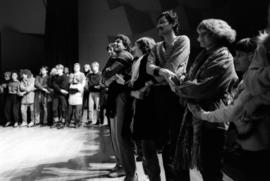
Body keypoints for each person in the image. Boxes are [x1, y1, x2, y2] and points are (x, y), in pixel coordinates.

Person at [174, 19, 238, 181]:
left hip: (213, 120)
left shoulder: (223, 58)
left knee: (211, 170)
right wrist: (184, 83)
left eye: (203, 34)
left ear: (217, 36)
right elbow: (190, 81)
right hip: (199, 118)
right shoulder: (204, 56)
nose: (199, 39)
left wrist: (179, 87)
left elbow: (200, 88)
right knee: (204, 168)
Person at [145, 10, 190, 181]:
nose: (158, 26)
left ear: (173, 24)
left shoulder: (182, 40)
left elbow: (172, 66)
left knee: (178, 142)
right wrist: (162, 71)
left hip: (175, 95)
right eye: (158, 23)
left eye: (163, 22)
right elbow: (149, 68)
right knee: (165, 143)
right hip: (160, 95)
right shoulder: (156, 46)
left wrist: (160, 71)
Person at [102, 34, 135, 180]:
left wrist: (110, 76)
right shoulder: (116, 56)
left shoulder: (125, 55)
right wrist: (109, 76)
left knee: (120, 135)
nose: (115, 43)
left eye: (118, 41)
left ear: (126, 45)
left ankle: (125, 168)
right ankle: (119, 163)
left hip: (122, 96)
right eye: (114, 41)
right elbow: (104, 74)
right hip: (114, 96)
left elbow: (108, 72)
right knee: (114, 134)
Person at [130, 37, 156, 180]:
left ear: (143, 47)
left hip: (146, 106)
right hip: (141, 104)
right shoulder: (138, 61)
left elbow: (146, 84)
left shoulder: (146, 60)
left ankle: (153, 177)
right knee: (146, 149)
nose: (133, 48)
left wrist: (133, 92)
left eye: (135, 45)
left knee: (148, 148)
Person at [66, 63, 86, 128]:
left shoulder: (82, 74)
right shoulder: (71, 74)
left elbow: (83, 83)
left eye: (77, 67)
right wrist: (72, 80)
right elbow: (69, 82)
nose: (76, 68)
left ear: (79, 68)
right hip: (72, 92)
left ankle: (77, 122)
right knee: (70, 109)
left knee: (78, 110)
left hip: (78, 92)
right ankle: (68, 122)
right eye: (75, 67)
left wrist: (80, 86)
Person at [51, 64, 69, 128]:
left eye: (58, 69)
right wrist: (60, 90)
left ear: (62, 69)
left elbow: (63, 86)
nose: (57, 70)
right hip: (56, 94)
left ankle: (63, 122)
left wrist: (58, 88)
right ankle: (56, 122)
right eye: (57, 69)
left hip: (62, 95)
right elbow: (53, 84)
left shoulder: (65, 77)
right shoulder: (55, 77)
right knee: (54, 108)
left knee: (63, 109)